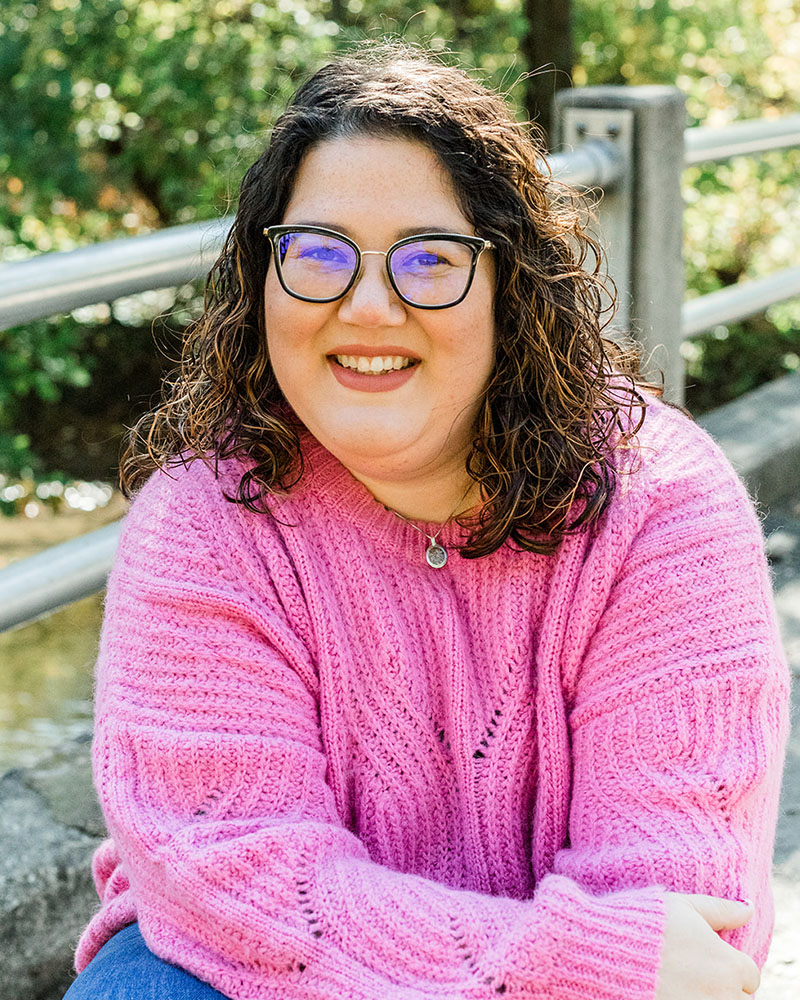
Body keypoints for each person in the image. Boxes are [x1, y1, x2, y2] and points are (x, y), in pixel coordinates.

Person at [65, 41, 789, 1000]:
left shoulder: (662, 506)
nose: (367, 306)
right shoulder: (207, 521)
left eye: (430, 259)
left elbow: (685, 921)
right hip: (249, 972)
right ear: (261, 279)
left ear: (511, 290)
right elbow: (231, 880)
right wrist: (567, 959)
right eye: (318, 254)